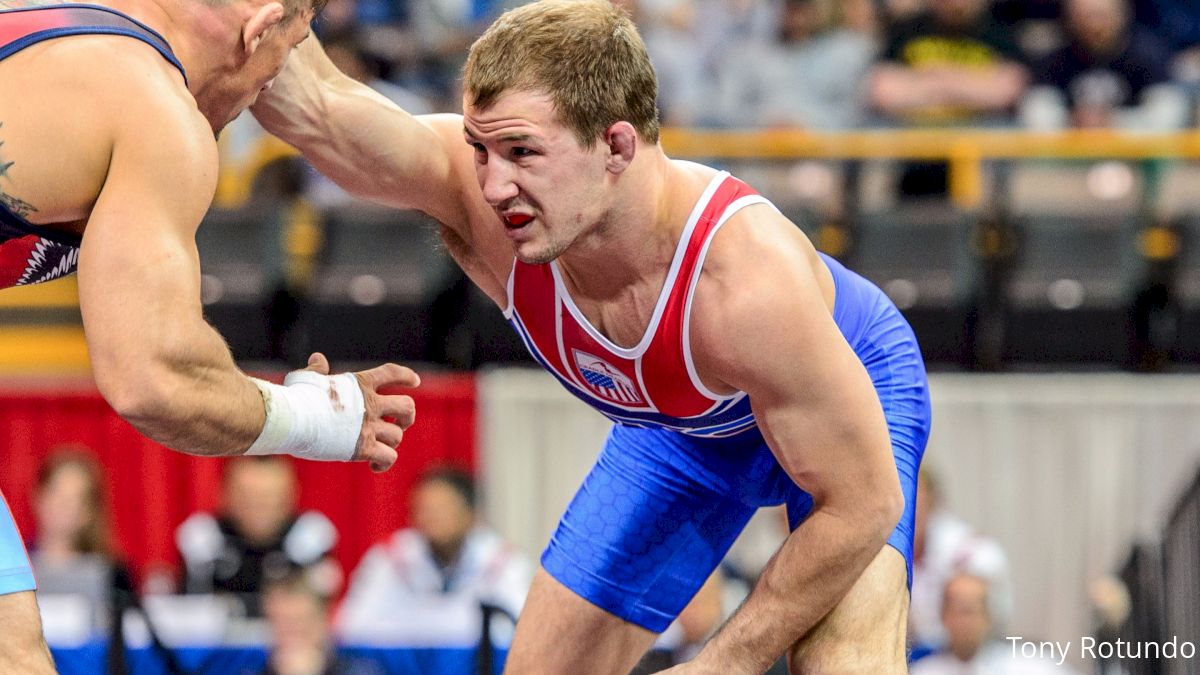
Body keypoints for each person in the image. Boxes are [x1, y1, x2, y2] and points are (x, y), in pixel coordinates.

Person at [254, 1, 931, 671]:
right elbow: (316, 104)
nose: (492, 186)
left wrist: (720, 662)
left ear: (616, 146)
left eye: (522, 152)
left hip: (849, 406)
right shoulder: (497, 200)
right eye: (479, 148)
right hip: (685, 432)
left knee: (845, 663)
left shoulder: (743, 281)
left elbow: (864, 502)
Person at [0, 0, 421, 669]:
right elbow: (152, 378)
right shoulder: (155, 110)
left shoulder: (62, 26)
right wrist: (318, 417)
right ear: (258, 29)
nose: (262, 104)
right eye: (277, 69)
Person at [335, 467, 532, 644]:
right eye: (424, 509)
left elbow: (522, 629)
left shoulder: (501, 560)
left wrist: (420, 622)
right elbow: (352, 627)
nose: (432, 517)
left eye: (444, 508)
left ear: (472, 514)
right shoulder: (391, 558)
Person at [177, 456, 341, 617]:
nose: (259, 509)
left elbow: (323, 613)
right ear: (223, 493)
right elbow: (187, 611)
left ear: (292, 494)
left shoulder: (311, 538)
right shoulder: (203, 538)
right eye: (248, 497)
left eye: (269, 498)